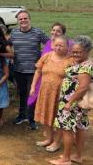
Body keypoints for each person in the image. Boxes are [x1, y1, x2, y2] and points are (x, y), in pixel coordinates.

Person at [49, 36, 92, 165]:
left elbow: (83, 87)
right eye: (73, 52)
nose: (75, 54)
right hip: (77, 104)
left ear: (87, 51)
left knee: (67, 130)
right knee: (79, 128)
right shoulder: (83, 63)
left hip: (72, 104)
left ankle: (66, 159)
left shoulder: (85, 67)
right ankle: (77, 156)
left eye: (78, 52)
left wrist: (69, 102)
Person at [29, 36, 73, 151]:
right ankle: (49, 139)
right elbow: (38, 71)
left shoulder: (70, 61)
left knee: (59, 119)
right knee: (46, 115)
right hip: (45, 93)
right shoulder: (46, 56)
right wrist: (33, 86)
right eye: (56, 45)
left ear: (67, 47)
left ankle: (57, 142)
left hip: (61, 95)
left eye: (61, 45)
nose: (58, 47)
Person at [10, 10, 48, 130]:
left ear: (29, 19)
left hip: (34, 71)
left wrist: (43, 58)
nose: (23, 21)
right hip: (18, 69)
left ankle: (32, 119)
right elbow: (7, 45)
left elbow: (49, 45)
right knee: (21, 94)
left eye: (25, 18)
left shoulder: (38, 32)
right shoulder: (14, 32)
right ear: (18, 21)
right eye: (20, 19)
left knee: (32, 95)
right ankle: (22, 115)